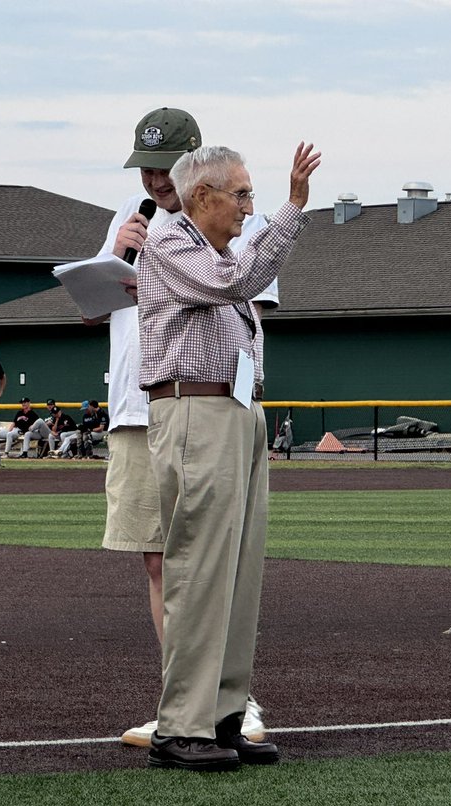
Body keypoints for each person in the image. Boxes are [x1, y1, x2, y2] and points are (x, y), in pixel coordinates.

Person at [88, 108, 278, 749]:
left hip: (225, 404)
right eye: (144, 166)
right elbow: (91, 307)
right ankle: (188, 711)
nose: (152, 179)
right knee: (168, 562)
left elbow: (246, 294)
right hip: (152, 404)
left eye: (164, 164)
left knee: (219, 561)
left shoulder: (222, 229)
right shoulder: (139, 226)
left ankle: (220, 706)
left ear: (194, 170)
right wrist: (116, 257)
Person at [138, 140, 320, 771]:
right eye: (240, 194)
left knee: (240, 571)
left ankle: (223, 716)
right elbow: (236, 280)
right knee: (201, 567)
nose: (249, 205)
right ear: (201, 197)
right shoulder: (172, 242)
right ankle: (180, 725)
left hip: (237, 411)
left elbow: (239, 272)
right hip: (196, 409)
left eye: (251, 193)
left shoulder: (216, 249)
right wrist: (292, 210)